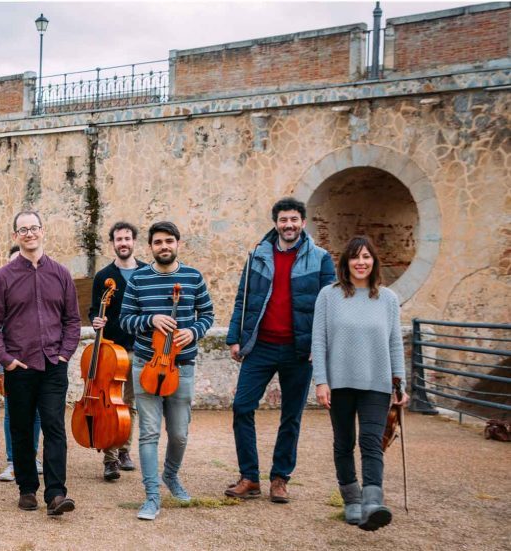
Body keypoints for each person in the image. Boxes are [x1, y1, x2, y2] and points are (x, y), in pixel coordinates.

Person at [225, 197, 335, 503]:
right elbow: (242, 299)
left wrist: (321, 345)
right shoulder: (258, 255)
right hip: (260, 346)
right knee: (242, 407)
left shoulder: (321, 258)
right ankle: (249, 477)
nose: (289, 225)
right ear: (276, 223)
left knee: (291, 416)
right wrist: (235, 337)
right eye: (283, 220)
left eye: (294, 219)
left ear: (302, 222)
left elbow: (330, 305)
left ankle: (279, 478)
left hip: (300, 350)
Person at [0, 211, 80, 516]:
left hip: (53, 364)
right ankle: (26, 488)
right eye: (23, 230)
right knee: (22, 429)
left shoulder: (61, 274)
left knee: (54, 428)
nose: (29, 234)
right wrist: (7, 360)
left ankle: (55, 493)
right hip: (20, 368)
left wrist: (64, 354)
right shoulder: (4, 277)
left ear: (42, 231)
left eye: (33, 228)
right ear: (16, 236)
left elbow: (73, 320)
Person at [119, 221, 214, 520]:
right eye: (158, 242)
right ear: (150, 246)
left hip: (182, 365)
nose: (164, 246)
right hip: (146, 364)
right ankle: (151, 497)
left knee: (179, 434)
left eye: (169, 241)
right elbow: (124, 320)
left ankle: (170, 475)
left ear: (177, 244)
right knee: (148, 433)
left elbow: (208, 314)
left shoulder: (193, 277)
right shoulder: (138, 279)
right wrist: (150, 320)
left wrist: (194, 331)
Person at [312, 236, 408, 531]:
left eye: (366, 257)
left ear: (374, 261)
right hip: (339, 383)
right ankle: (351, 502)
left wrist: (399, 383)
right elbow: (319, 341)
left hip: (377, 382)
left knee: (371, 442)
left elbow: (395, 343)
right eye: (355, 257)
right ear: (346, 263)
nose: (361, 262)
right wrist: (321, 382)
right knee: (344, 443)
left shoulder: (388, 299)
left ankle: (371, 503)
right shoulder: (329, 295)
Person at [90, 221, 146, 481]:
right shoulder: (103, 276)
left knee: (131, 405)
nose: (123, 243)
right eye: (118, 239)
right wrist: (95, 320)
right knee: (112, 405)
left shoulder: (148, 272)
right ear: (112, 243)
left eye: (127, 238)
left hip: (140, 349)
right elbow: (94, 310)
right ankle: (110, 460)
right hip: (113, 350)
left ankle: (124, 450)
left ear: (134, 241)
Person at [0, 245, 43, 482]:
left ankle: (31, 456)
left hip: (36, 356)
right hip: (10, 355)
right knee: (11, 413)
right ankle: (13, 460)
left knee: (36, 413)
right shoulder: (4, 283)